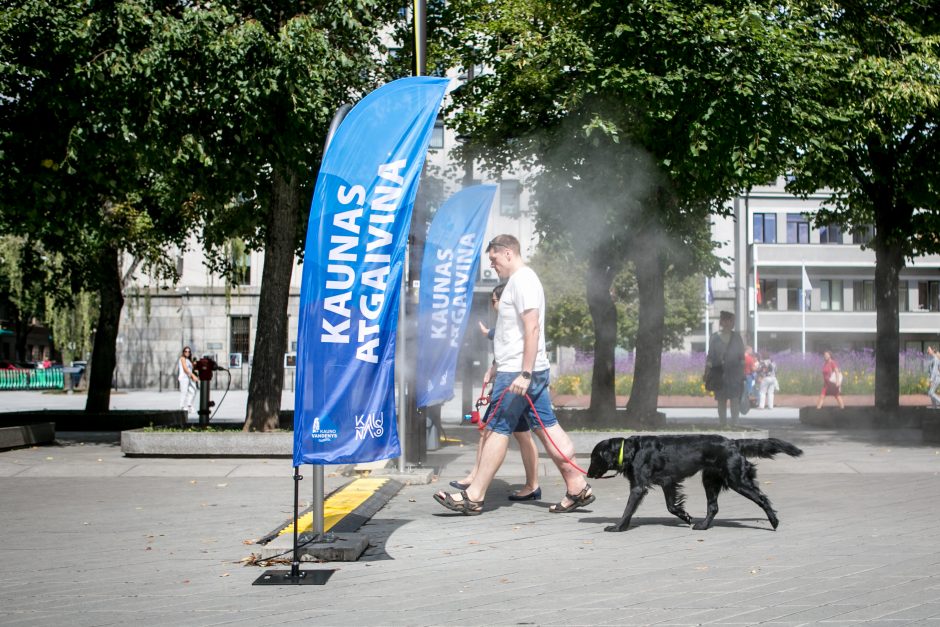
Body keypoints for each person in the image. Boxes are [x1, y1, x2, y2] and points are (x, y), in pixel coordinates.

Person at [434, 234, 594, 515]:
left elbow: (532, 328)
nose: (493, 265)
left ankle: (474, 496)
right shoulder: (518, 283)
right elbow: (514, 334)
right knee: (547, 429)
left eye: (494, 258)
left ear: (508, 253)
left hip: (519, 374)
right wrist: (500, 366)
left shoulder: (523, 281)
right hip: (519, 371)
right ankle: (577, 486)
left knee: (497, 429)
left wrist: (525, 373)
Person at [454, 282, 541, 501]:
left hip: (513, 382)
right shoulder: (507, 320)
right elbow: (506, 346)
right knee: (523, 435)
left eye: (494, 301)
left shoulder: (512, 317)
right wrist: (493, 368)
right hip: (513, 380)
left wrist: (522, 374)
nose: (493, 306)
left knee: (490, 430)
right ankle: (533, 485)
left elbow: (516, 344)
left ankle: (476, 482)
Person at [705, 311, 746, 427]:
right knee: (721, 400)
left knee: (734, 400)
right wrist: (706, 371)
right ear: (721, 322)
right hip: (719, 373)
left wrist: (742, 373)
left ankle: (735, 424)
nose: (728, 323)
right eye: (725, 320)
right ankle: (722, 424)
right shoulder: (715, 337)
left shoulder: (737, 337)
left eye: (730, 320)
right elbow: (710, 356)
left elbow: (741, 357)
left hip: (734, 374)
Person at [178, 346, 198, 414]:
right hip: (184, 378)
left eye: (189, 351)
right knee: (184, 392)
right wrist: (193, 375)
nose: (187, 352)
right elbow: (185, 369)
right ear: (183, 352)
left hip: (188, 378)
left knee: (194, 390)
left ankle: (189, 405)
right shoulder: (182, 358)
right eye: (185, 351)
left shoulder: (188, 360)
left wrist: (194, 364)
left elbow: (191, 368)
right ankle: (182, 407)